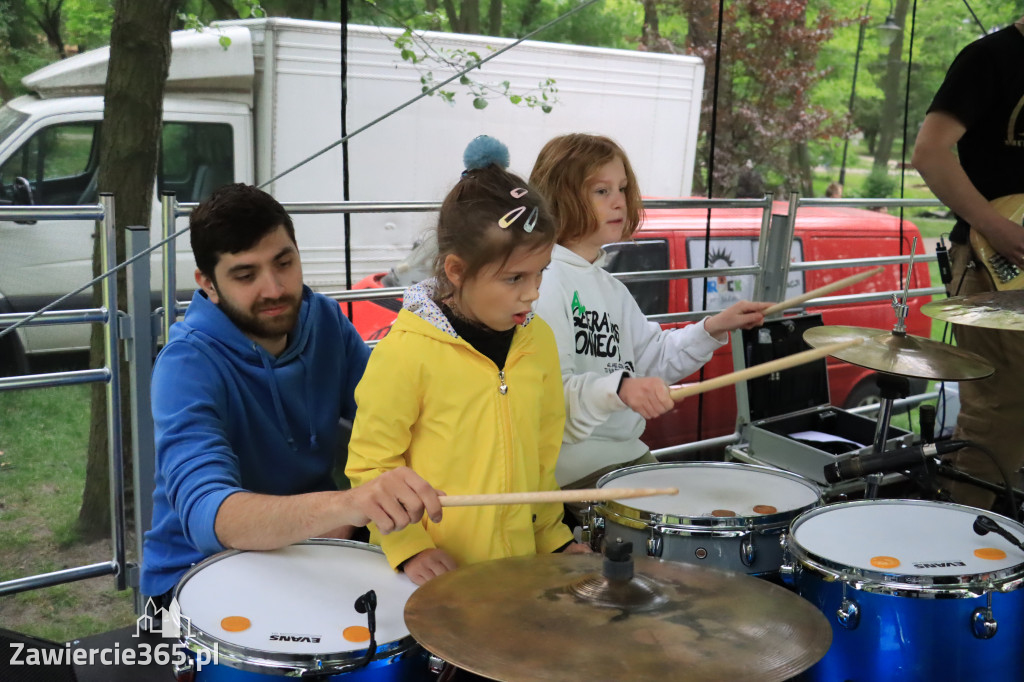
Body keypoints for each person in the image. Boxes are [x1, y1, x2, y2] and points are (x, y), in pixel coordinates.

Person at [140, 184, 443, 605]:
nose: (274, 288)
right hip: (197, 572)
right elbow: (213, 515)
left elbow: (396, 420)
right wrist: (346, 507)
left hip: (319, 548)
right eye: (246, 275)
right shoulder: (186, 364)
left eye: (284, 262)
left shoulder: (322, 319)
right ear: (207, 284)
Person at [345, 137, 588, 586]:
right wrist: (408, 548)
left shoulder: (539, 341)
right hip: (439, 576)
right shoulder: (406, 351)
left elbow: (541, 454)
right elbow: (372, 467)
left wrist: (552, 535)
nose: (533, 292)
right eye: (515, 277)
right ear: (455, 271)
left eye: (540, 273)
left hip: (517, 572)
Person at [530, 134, 771, 515]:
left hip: (628, 457)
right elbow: (547, 397)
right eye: (601, 191)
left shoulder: (610, 288)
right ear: (561, 198)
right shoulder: (543, 282)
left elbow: (652, 357)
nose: (619, 202)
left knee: (714, 515)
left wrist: (711, 328)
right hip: (574, 472)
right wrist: (621, 388)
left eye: (622, 188)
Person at [911, 17, 1024, 510]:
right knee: (1001, 411)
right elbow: (931, 153)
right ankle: (966, 551)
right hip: (992, 259)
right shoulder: (990, 57)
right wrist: (999, 230)